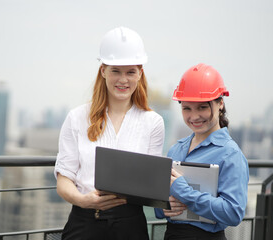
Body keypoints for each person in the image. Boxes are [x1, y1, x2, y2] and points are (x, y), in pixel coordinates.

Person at [54, 26, 165, 240]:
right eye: (116, 71)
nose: (123, 80)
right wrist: (83, 200)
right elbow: (64, 180)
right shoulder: (76, 118)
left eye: (130, 72)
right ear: (103, 71)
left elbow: (151, 184)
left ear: (140, 74)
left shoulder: (153, 123)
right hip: (84, 222)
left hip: (130, 225)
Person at [155, 63, 249, 240]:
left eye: (202, 107)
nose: (194, 116)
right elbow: (159, 208)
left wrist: (185, 193)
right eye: (187, 108)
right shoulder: (176, 150)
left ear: (220, 103)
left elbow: (233, 213)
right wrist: (165, 206)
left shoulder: (230, 154)